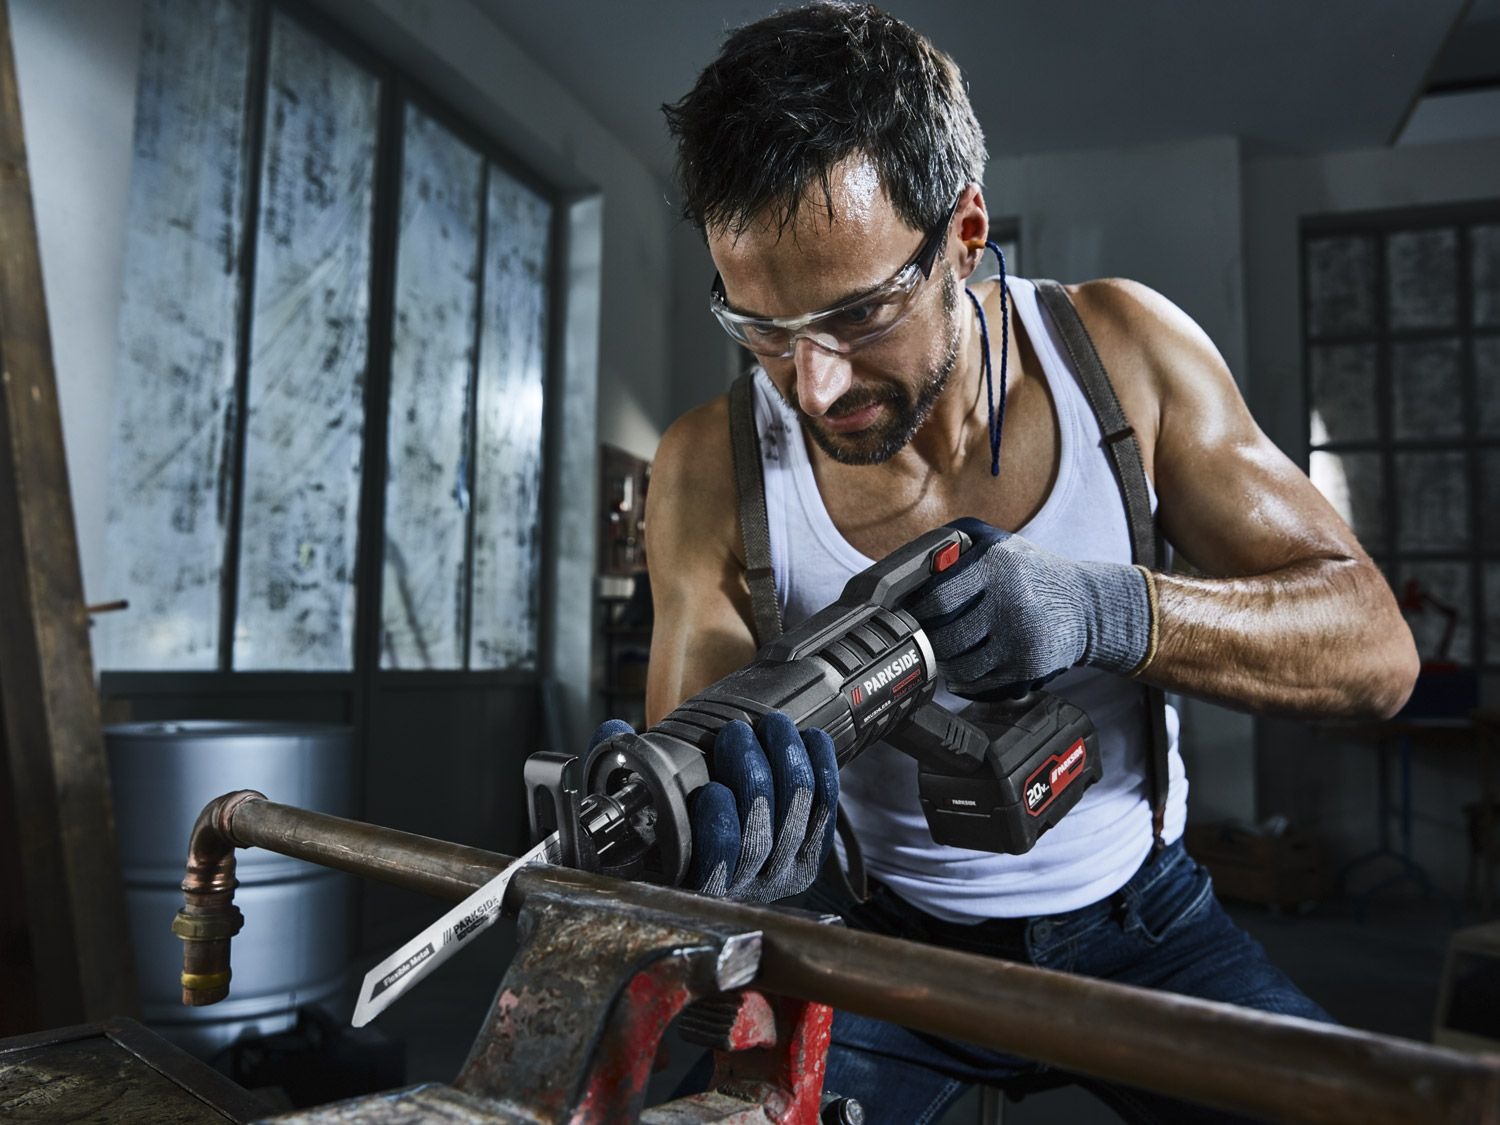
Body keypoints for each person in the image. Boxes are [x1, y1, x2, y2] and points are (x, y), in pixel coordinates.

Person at [629, 3, 1420, 1120]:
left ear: (964, 232)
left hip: (1145, 927)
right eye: (762, 328)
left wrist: (1110, 613)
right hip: (882, 949)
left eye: (858, 316)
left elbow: (1377, 652)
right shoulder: (710, 466)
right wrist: (720, 840)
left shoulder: (1123, 355)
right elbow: (697, 783)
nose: (813, 385)